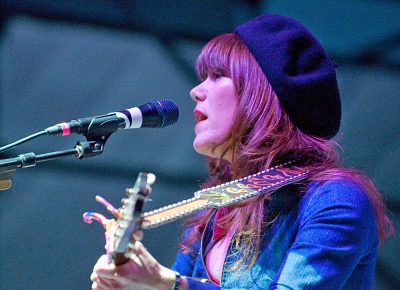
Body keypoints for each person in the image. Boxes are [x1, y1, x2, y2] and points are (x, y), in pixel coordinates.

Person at [90, 14, 393, 289]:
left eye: (218, 75)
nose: (196, 91)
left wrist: (168, 283)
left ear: (261, 95)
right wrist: (132, 282)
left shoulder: (335, 199)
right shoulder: (214, 210)